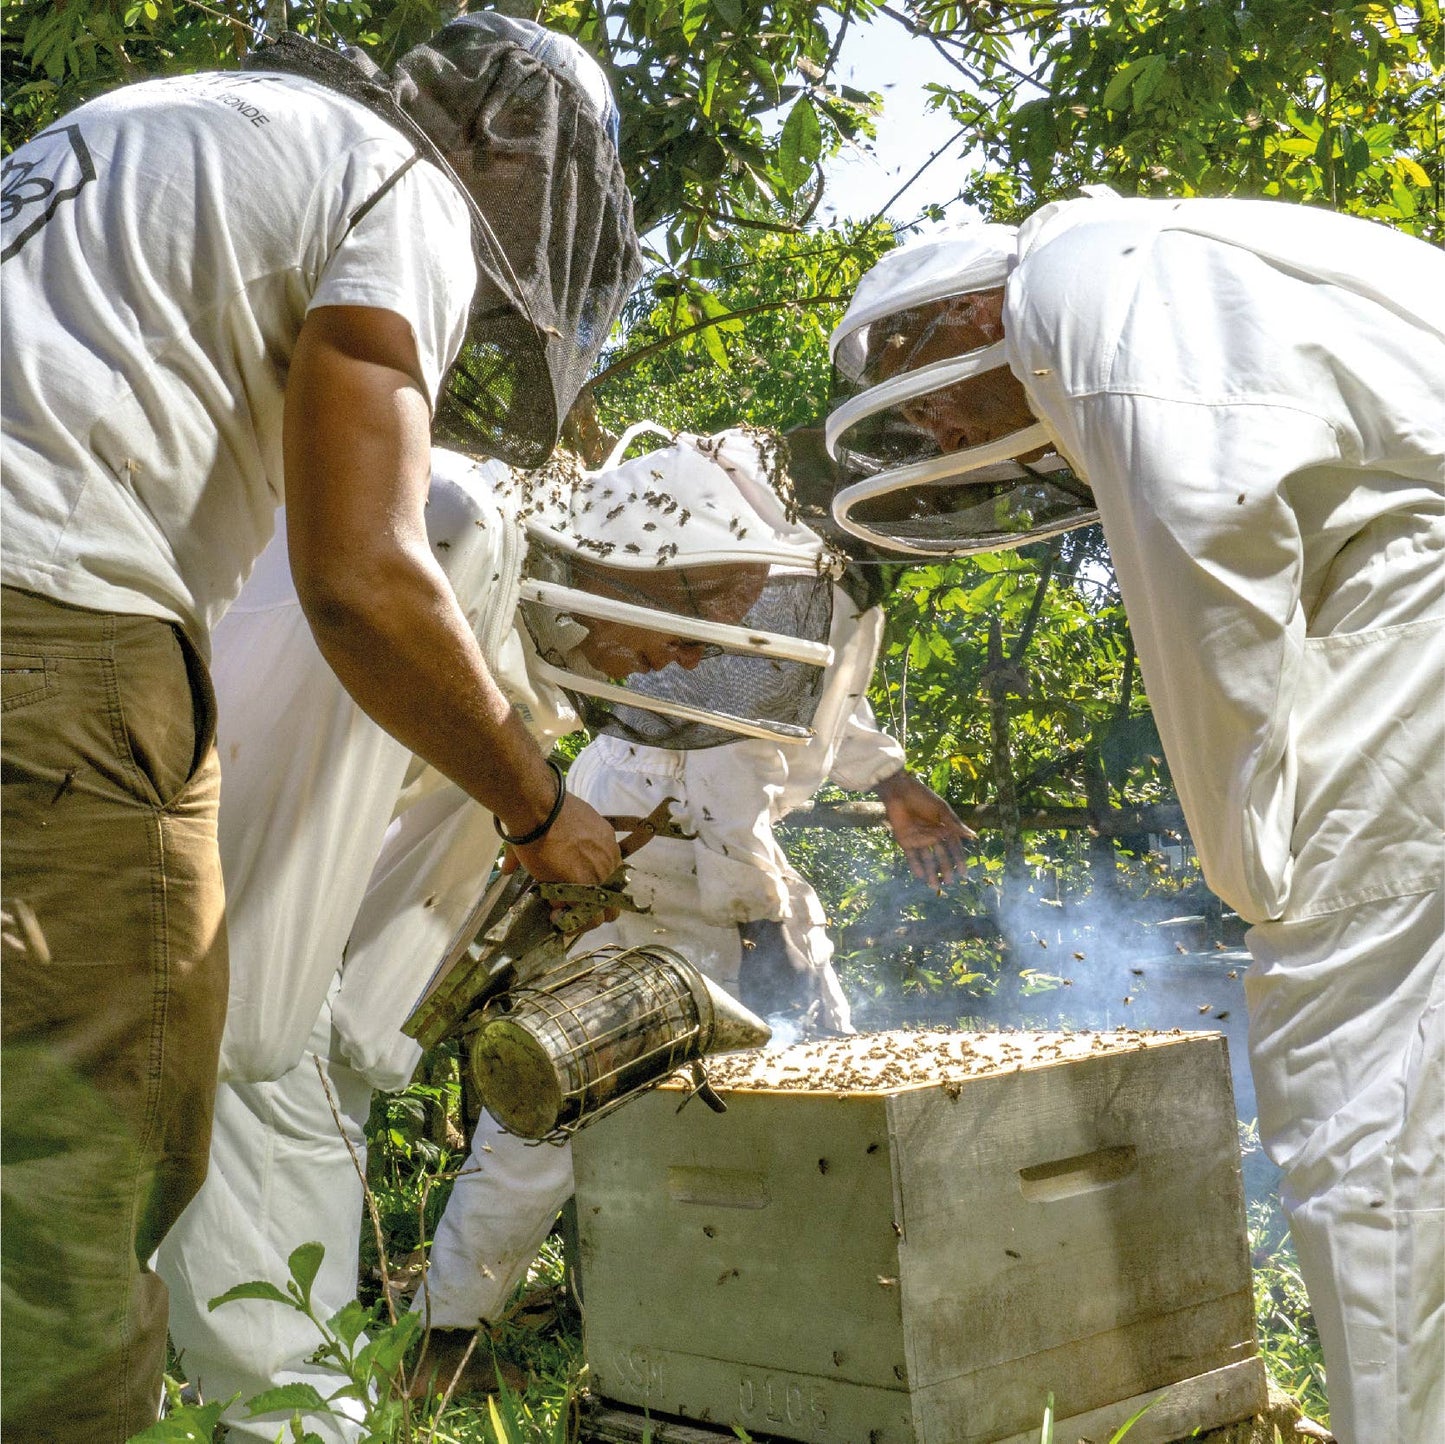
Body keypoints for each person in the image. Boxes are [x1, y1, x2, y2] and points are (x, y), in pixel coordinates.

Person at [0, 14, 639, 1438]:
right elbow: (360, 576)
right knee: (71, 1195)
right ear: (512, 153)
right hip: (52, 631)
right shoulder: (394, 189)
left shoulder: (150, 122)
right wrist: (536, 806)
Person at [824, 196, 1444, 1444]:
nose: (939, 429)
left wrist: (1255, 865)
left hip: (1414, 604)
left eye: (920, 390)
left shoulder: (1076, 293)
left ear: (955, 314)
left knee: (1349, 1081)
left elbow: (1206, 540)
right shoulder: (1180, 252)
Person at [157, 429, 842, 1441]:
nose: (690, 664)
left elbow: (367, 866)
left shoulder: (502, 630)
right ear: (634, 556)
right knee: (279, 1368)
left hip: (241, 979)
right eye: (700, 616)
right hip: (216, 963)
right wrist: (529, 807)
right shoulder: (447, 520)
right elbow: (272, 802)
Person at [414, 566, 973, 1373]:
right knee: (552, 1113)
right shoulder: (716, 600)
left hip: (717, 882)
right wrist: (758, 921)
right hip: (631, 882)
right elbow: (716, 781)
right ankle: (445, 1338)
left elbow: (820, 697)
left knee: (821, 1105)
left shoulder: (801, 603)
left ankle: (786, 1316)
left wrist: (891, 779)